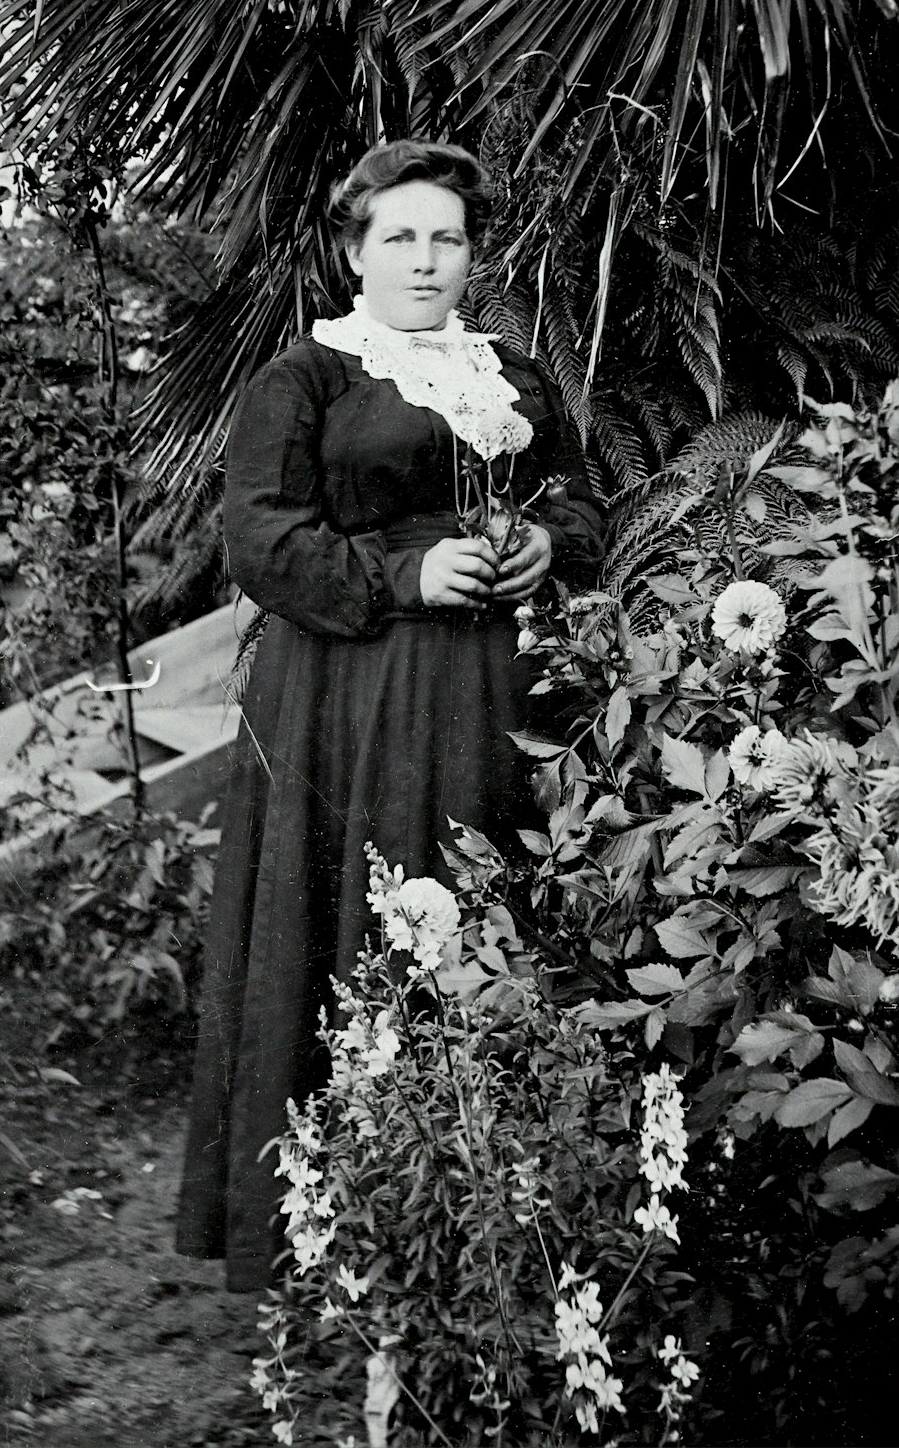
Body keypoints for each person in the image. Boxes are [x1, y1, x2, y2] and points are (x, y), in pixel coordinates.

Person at [176, 140, 602, 1289]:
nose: (426, 261)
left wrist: (547, 543)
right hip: (351, 698)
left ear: (473, 253)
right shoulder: (305, 380)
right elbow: (261, 537)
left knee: (490, 910)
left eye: (448, 237)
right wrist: (402, 579)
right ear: (354, 251)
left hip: (495, 694)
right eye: (400, 237)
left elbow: (575, 490)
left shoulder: (511, 376)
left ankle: (497, 1212)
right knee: (362, 915)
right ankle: (356, 1225)